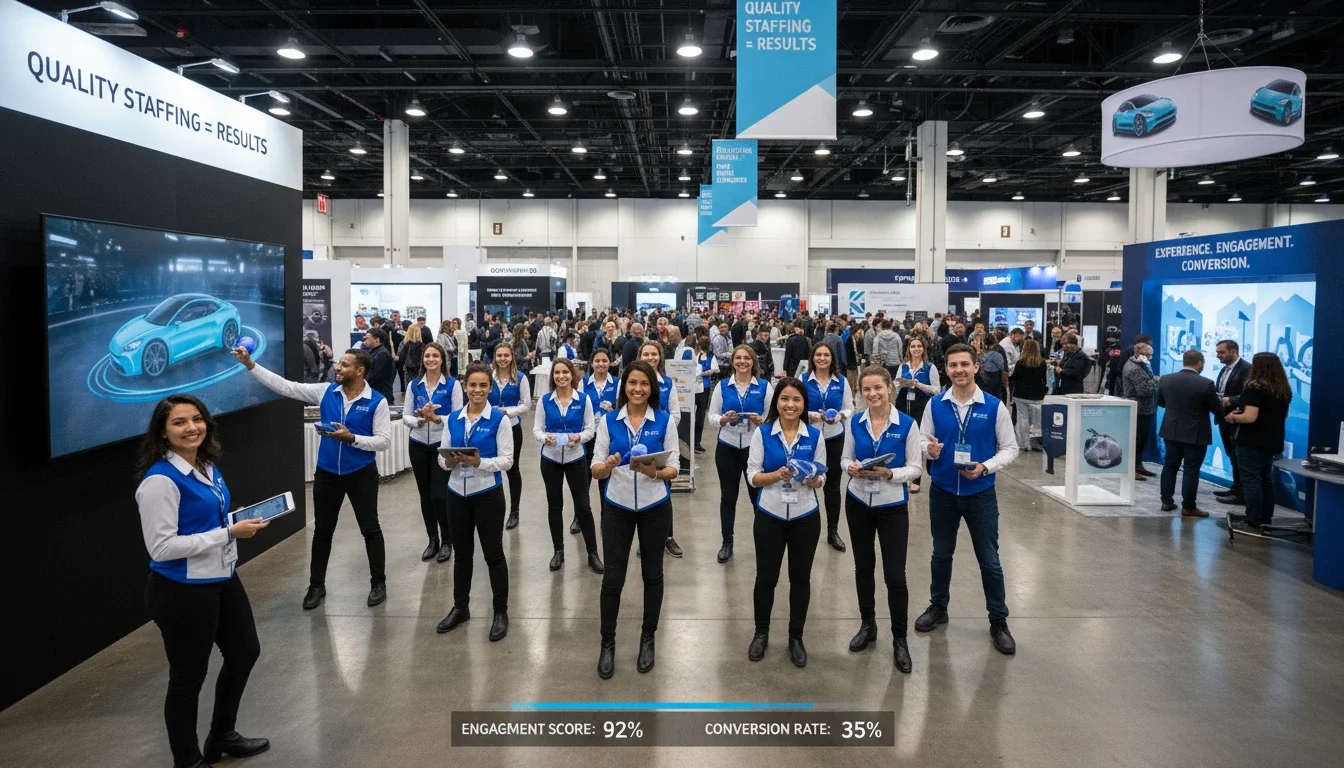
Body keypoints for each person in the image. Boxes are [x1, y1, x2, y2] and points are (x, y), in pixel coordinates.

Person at [135, 395, 270, 768]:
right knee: (187, 678)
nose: (191, 427)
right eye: (179, 422)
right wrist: (228, 533)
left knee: (244, 652)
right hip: (181, 591)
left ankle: (222, 735)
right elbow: (162, 548)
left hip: (222, 577)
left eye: (197, 419)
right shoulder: (159, 481)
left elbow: (207, 519)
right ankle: (188, 760)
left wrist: (234, 523)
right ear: (163, 432)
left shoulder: (207, 465)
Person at [238, 346, 391, 610]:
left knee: (370, 529)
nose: (338, 368)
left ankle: (378, 583)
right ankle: (316, 585)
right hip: (327, 473)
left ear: (360, 371)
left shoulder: (377, 401)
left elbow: (383, 441)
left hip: (361, 474)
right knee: (322, 531)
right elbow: (285, 387)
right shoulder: (326, 391)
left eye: (344, 365)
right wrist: (250, 364)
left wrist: (352, 438)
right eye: (339, 363)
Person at [916, 343, 1021, 656]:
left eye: (964, 364)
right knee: (941, 554)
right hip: (943, 492)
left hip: (981, 494)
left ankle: (998, 620)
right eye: (953, 365)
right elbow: (921, 439)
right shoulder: (935, 404)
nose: (958, 370)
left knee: (990, 560)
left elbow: (1010, 448)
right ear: (947, 369)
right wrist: (928, 449)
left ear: (976, 367)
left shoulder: (994, 406)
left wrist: (986, 467)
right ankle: (938, 606)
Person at [590, 361, 680, 679]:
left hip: (656, 507)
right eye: (632, 383)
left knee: (652, 575)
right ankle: (607, 643)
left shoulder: (665, 421)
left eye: (644, 383)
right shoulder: (608, 421)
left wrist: (654, 472)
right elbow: (595, 469)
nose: (637, 389)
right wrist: (607, 466)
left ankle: (648, 638)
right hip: (617, 506)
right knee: (613, 579)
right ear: (624, 386)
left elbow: (674, 468)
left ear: (651, 388)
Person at [842, 366, 923, 673]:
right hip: (858, 502)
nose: (873, 394)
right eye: (866, 389)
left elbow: (915, 468)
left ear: (890, 387)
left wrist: (891, 473)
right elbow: (844, 457)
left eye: (878, 387)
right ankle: (868, 625)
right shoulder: (855, 422)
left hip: (892, 507)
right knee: (863, 567)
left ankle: (900, 639)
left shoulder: (907, 424)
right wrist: (850, 467)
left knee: (895, 576)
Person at [745, 377, 828, 667]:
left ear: (804, 404)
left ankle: (796, 637)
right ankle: (761, 633)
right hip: (770, 514)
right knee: (766, 578)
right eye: (784, 399)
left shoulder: (815, 435)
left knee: (800, 579)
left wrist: (815, 480)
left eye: (796, 400)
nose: (790, 405)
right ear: (776, 402)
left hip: (805, 515)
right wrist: (776, 476)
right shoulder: (763, 433)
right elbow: (753, 476)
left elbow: (822, 476)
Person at [435, 364, 514, 642]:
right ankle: (461, 607)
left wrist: (479, 462)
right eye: (472, 385)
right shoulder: (453, 419)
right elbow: (441, 458)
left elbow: (507, 460)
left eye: (483, 385)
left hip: (487, 494)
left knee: (494, 555)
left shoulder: (499, 420)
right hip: (457, 494)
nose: (477, 390)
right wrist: (448, 462)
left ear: (490, 388)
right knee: (462, 555)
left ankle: (500, 612)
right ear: (465, 387)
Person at [533, 358, 604, 573]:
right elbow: (537, 429)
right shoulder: (545, 400)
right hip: (551, 459)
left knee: (583, 507)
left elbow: (590, 429)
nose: (561, 376)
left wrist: (578, 437)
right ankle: (558, 551)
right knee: (554, 506)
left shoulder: (583, 399)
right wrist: (545, 438)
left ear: (572, 375)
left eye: (565, 372)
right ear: (552, 376)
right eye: (557, 373)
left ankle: (592, 552)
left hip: (576, 458)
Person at [709, 345, 775, 563]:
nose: (742, 362)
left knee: (757, 497)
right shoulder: (722, 386)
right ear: (733, 362)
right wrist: (723, 419)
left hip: (754, 449)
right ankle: (727, 542)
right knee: (728, 497)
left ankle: (764, 542)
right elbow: (711, 416)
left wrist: (762, 421)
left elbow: (773, 418)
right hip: (727, 447)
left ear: (753, 361)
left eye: (747, 358)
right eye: (738, 358)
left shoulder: (764, 386)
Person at [402, 342, 462, 563]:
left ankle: (448, 540)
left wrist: (436, 419)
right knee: (425, 495)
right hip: (417, 443)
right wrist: (418, 420)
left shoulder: (453, 385)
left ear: (442, 359)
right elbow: (405, 416)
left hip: (440, 444)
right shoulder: (414, 385)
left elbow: (457, 417)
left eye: (435, 356)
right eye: (427, 356)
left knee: (439, 495)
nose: (431, 360)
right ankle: (432, 539)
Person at [1224, 352, 1293, 532]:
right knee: (1266, 480)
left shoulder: (1254, 387)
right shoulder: (1283, 390)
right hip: (1272, 441)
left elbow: (1250, 417)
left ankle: (1252, 520)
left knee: (1251, 481)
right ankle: (1265, 518)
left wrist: (1233, 417)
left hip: (1251, 441)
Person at [1156, 349, 1222, 517]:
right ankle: (1189, 507)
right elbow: (1217, 409)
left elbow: (1161, 402)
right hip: (1195, 433)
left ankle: (1166, 501)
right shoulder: (1206, 383)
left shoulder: (1166, 379)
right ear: (1199, 363)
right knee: (1191, 469)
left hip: (1171, 430)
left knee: (1170, 466)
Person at [802, 342, 854, 553]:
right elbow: (793, 406)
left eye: (826, 355)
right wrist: (810, 416)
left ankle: (833, 531)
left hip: (834, 438)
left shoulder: (841, 381)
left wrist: (841, 416)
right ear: (812, 358)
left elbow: (849, 407)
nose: (822, 358)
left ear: (832, 359)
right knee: (805, 481)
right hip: (808, 439)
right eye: (818, 355)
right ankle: (805, 528)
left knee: (832, 487)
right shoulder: (803, 380)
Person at [638, 340, 683, 557]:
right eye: (646, 354)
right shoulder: (631, 382)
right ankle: (644, 539)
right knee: (641, 490)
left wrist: (662, 428)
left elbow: (676, 414)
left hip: (661, 444)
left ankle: (668, 536)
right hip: (638, 444)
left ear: (660, 357)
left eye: (654, 354)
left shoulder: (668, 383)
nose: (650, 358)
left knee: (664, 491)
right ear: (640, 357)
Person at [489, 342, 533, 530]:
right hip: (490, 428)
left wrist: (509, 411)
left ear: (512, 357)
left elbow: (526, 404)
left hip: (512, 428)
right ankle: (491, 508)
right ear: (495, 357)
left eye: (506, 355)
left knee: (512, 468)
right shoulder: (488, 376)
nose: (503, 359)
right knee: (489, 466)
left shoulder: (520, 378)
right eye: (499, 355)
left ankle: (514, 511)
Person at [893, 336, 941, 493]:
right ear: (908, 349)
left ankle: (916, 479)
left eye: (919, 346)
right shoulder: (903, 366)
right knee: (902, 440)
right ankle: (903, 475)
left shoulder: (929, 367)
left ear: (923, 348)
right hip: (903, 406)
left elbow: (936, 390)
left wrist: (918, 384)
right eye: (913, 346)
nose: (916, 349)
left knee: (918, 442)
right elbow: (895, 386)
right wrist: (897, 386)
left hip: (921, 408)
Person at [1213, 339, 1252, 506]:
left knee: (1238, 457)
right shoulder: (1224, 369)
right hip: (1224, 419)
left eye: (1221, 352)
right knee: (1231, 455)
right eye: (1217, 352)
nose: (1218, 355)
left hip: (1237, 420)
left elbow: (1249, 395)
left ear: (1233, 351)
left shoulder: (1247, 369)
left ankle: (1241, 494)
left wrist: (1231, 400)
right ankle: (1236, 488)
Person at [1121, 342, 1159, 480]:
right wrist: (1156, 381)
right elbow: (1144, 390)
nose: (1150, 358)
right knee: (1137, 440)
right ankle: (1131, 469)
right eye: (1149, 355)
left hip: (1143, 408)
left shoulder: (1140, 365)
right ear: (1140, 354)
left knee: (1141, 440)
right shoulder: (1135, 369)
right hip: (1140, 409)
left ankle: (1137, 465)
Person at [1009, 338, 1048, 452]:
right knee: (1036, 421)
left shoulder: (1020, 363)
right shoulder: (1042, 363)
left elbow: (1014, 378)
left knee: (1022, 419)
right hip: (1036, 395)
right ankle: (1035, 443)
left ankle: (1023, 444)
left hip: (1020, 394)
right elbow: (1044, 379)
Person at [363, 327, 396, 404]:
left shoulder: (382, 354)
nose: (365, 341)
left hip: (381, 395)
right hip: (375, 394)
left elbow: (374, 376)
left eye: (367, 338)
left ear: (376, 340)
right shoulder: (373, 352)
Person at [975, 332, 1008, 401]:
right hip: (992, 381)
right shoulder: (998, 348)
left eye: (977, 341)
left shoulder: (994, 350)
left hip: (990, 381)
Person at [397, 324, 425, 397]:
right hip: (420, 371)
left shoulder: (404, 344)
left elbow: (400, 358)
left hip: (408, 370)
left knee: (410, 391)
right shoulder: (422, 346)